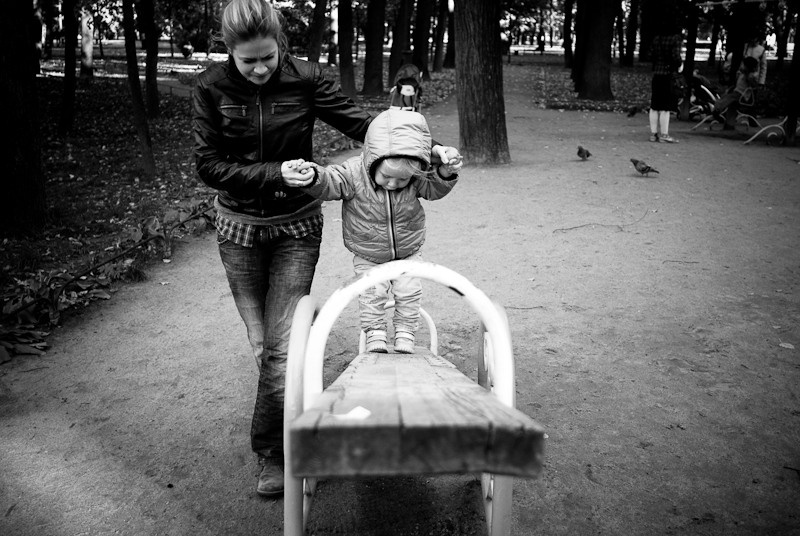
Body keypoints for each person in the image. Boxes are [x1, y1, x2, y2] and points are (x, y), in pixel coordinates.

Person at [192, 0, 461, 499]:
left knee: (280, 347)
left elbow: (369, 129)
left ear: (281, 45)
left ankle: (275, 451)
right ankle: (293, 403)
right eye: (247, 60)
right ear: (229, 52)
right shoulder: (210, 87)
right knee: (264, 345)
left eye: (267, 57)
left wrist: (430, 150)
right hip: (239, 228)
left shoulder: (307, 79)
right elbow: (208, 165)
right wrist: (274, 172)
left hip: (295, 225)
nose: (258, 69)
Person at [284, 109, 462, 355]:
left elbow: (434, 190)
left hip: (408, 250)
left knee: (409, 290)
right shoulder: (354, 173)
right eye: (387, 177)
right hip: (368, 252)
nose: (393, 184)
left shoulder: (415, 175)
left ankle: (405, 333)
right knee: (372, 292)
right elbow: (331, 182)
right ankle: (375, 333)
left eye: (402, 181)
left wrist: (446, 172)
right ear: (373, 161)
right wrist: (314, 175)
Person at [648, 31, 683, 143]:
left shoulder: (657, 38)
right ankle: (664, 134)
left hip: (657, 75)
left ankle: (653, 134)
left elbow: (650, 54)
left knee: (654, 106)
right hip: (667, 75)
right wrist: (678, 65)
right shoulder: (675, 38)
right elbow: (676, 57)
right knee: (665, 107)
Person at [713, 56, 759, 130]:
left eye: (743, 65)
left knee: (729, 98)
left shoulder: (750, 75)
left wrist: (749, 76)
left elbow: (753, 84)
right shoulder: (742, 74)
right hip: (737, 92)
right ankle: (729, 124)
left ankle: (718, 108)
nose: (741, 66)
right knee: (731, 105)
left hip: (742, 95)